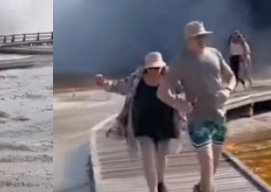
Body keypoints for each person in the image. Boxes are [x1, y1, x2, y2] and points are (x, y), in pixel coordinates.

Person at [158, 21, 236, 192]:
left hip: (218, 116)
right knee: (207, 162)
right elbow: (162, 92)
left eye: (203, 36)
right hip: (197, 119)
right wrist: (179, 103)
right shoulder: (180, 62)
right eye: (197, 37)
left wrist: (227, 91)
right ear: (188, 40)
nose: (201, 40)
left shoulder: (214, 54)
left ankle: (201, 188)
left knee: (214, 164)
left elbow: (231, 76)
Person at [96, 52, 180, 192]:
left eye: (157, 67)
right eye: (152, 68)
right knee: (147, 156)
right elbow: (119, 86)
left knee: (162, 155)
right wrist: (105, 84)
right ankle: (152, 189)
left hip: (165, 123)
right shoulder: (136, 79)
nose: (155, 70)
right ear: (146, 68)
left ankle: (160, 182)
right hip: (143, 124)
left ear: (162, 67)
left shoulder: (171, 79)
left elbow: (187, 91)